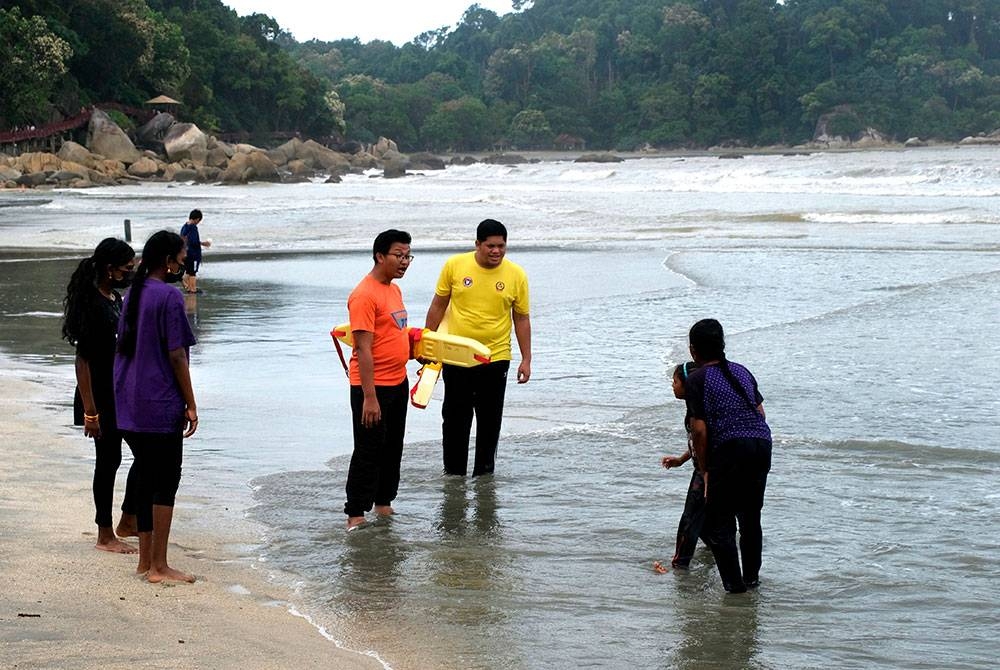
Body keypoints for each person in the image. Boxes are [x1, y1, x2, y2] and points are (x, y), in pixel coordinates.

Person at [114, 230, 199, 583]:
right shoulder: (168, 296)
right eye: (181, 258)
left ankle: (145, 561)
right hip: (158, 400)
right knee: (165, 481)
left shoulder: (133, 293)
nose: (184, 263)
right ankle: (159, 567)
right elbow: (177, 355)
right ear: (167, 261)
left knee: (147, 478)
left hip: (128, 399)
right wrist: (191, 404)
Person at [424, 219, 531, 477]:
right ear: (477, 245)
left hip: (496, 357)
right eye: (490, 246)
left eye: (501, 246)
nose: (496, 251)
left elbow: (521, 318)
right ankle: (453, 474)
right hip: (457, 355)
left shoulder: (516, 274)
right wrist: (426, 344)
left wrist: (526, 358)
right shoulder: (455, 266)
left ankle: (484, 477)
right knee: (455, 419)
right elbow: (438, 305)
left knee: (489, 421)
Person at [61, 238, 139, 554]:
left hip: (118, 392)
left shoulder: (113, 297)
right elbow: (83, 361)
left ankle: (126, 521)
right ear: (109, 269)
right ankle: (105, 534)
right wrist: (91, 412)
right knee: (108, 461)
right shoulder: (93, 304)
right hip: (99, 396)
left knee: (136, 457)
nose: (130, 273)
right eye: (126, 268)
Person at [684, 319, 772, 593]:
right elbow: (760, 414)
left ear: (693, 351)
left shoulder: (697, 378)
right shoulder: (742, 371)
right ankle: (752, 580)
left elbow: (699, 430)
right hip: (761, 443)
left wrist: (705, 468)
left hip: (730, 448)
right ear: (722, 345)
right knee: (750, 517)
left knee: (718, 521)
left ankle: (735, 590)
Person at [344, 229, 414, 530]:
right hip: (371, 388)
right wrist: (369, 397)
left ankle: (384, 504)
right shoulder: (364, 295)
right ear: (380, 256)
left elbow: (394, 334)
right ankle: (355, 513)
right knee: (368, 449)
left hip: (398, 382)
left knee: (393, 447)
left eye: (408, 255)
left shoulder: (393, 290)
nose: (405, 261)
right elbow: (363, 348)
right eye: (399, 255)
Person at [661, 360, 707, 569]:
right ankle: (712, 555)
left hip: (706, 470)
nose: (672, 385)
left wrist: (705, 471)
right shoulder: (697, 404)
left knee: (689, 519)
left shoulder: (699, 408)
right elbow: (699, 441)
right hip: (707, 467)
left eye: (675, 381)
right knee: (707, 519)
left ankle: (680, 565)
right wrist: (682, 459)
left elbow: (702, 436)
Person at [179, 209, 210, 294]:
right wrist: (204, 243)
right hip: (193, 253)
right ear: (197, 219)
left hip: (184, 253)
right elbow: (194, 241)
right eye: (199, 220)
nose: (198, 222)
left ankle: (189, 287)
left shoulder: (184, 226)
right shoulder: (193, 227)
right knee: (192, 272)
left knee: (188, 271)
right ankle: (193, 289)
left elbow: (182, 239)